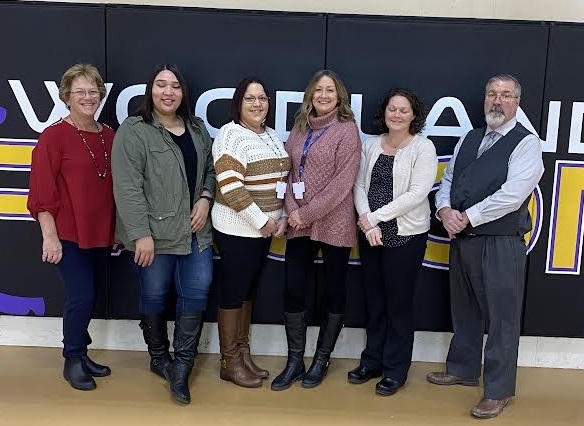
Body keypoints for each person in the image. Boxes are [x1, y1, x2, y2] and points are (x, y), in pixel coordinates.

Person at [427, 74, 544, 419]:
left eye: (505, 95)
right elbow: (449, 179)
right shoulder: (471, 137)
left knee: (502, 319)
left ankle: (498, 391)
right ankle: (463, 368)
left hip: (501, 241)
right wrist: (444, 210)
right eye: (492, 94)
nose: (497, 100)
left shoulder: (527, 143)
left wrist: (468, 217)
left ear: (516, 102)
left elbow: (513, 195)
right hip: (464, 240)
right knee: (465, 309)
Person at [111, 64, 215, 405]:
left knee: (196, 296)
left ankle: (181, 366)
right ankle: (159, 358)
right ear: (151, 90)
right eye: (160, 85)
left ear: (183, 92)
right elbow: (127, 188)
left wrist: (205, 198)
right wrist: (140, 234)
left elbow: (211, 171)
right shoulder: (134, 130)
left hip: (196, 233)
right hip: (153, 236)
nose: (167, 92)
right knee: (154, 296)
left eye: (174, 86)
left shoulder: (198, 129)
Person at [271, 69, 361, 391]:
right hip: (298, 223)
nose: (324, 96)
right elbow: (289, 172)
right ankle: (295, 359)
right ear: (310, 94)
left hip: (334, 223)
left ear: (339, 97)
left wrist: (305, 214)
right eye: (319, 90)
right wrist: (293, 211)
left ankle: (321, 359)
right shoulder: (299, 128)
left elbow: (341, 185)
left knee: (333, 291)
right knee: (293, 289)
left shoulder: (347, 131)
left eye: (330, 91)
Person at [27, 63, 114, 391]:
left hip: (101, 234)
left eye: (93, 91)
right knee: (81, 295)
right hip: (68, 233)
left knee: (90, 298)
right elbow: (41, 193)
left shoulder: (108, 135)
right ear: (66, 96)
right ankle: (73, 358)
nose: (88, 97)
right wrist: (50, 237)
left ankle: (83, 352)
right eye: (80, 92)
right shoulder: (53, 137)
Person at [349, 89, 437, 396]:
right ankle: (371, 360)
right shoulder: (371, 145)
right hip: (370, 234)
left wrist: (374, 218)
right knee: (374, 302)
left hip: (406, 235)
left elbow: (417, 194)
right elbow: (358, 185)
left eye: (404, 110)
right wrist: (365, 218)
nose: (397, 115)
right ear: (383, 113)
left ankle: (396, 369)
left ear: (414, 115)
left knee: (398, 304)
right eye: (392, 109)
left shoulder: (423, 148)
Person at [212, 77, 290, 388]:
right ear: (238, 104)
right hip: (237, 229)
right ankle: (229, 362)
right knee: (233, 292)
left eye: (262, 98)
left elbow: (281, 181)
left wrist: (281, 216)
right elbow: (231, 186)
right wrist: (263, 221)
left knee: (247, 292)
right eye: (249, 98)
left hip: (265, 230)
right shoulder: (230, 135)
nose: (257, 104)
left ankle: (243, 355)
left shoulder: (271, 135)